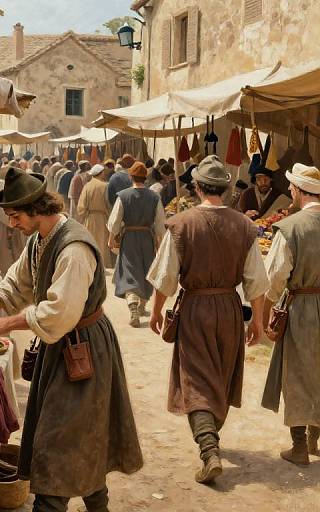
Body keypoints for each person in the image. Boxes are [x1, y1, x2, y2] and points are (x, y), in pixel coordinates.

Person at [0, 167, 143, 511]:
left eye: (15, 216)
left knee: (59, 439)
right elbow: (19, 281)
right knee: (83, 433)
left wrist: (10, 323)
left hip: (83, 347)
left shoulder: (74, 248)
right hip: (61, 345)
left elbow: (61, 312)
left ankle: (51, 504)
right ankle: (97, 505)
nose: (11, 223)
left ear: (36, 209)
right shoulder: (39, 239)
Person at [147, 155, 269, 484]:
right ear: (226, 190)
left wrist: (157, 310)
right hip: (230, 308)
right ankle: (211, 436)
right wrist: (256, 319)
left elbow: (165, 277)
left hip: (196, 310)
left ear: (198, 187)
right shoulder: (245, 225)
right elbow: (256, 280)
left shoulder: (181, 223)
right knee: (221, 374)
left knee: (196, 379)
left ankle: (208, 448)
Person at [261, 163, 320, 466]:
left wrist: (273, 303)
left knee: (296, 372)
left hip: (301, 307)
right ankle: (314, 439)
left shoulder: (291, 227)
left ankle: (299, 446)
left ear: (296, 191)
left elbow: (275, 275)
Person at [108, 162, 165, 327]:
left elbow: (115, 220)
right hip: (147, 237)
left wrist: (111, 238)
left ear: (130, 177)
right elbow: (160, 223)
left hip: (130, 238)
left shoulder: (123, 196)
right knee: (146, 269)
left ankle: (133, 305)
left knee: (130, 270)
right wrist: (160, 241)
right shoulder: (155, 197)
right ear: (145, 178)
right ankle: (141, 305)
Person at [77, 164, 112, 267]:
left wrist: (85, 215)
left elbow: (81, 207)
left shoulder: (87, 186)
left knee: (91, 244)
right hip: (102, 219)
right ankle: (102, 265)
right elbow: (108, 205)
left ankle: (91, 266)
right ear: (100, 173)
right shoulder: (105, 186)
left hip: (90, 219)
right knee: (102, 244)